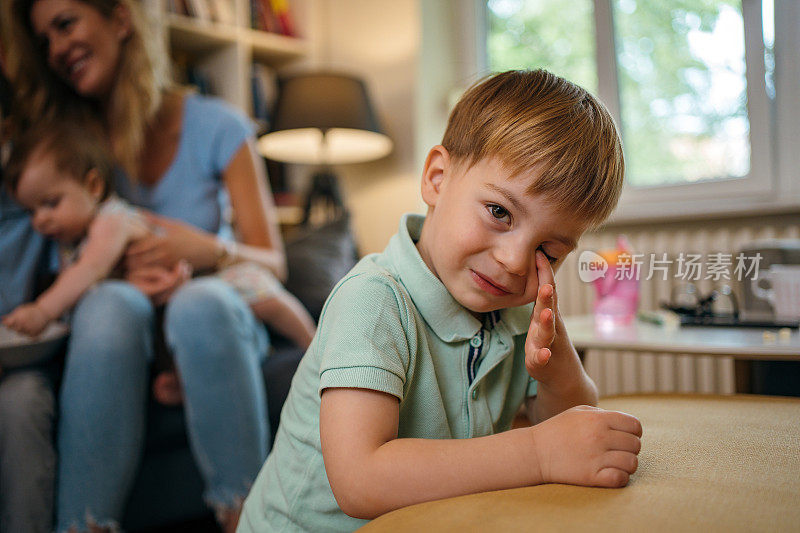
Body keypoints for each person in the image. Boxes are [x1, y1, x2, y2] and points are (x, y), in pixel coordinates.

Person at [238, 70, 643, 532]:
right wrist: (538, 452)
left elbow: (573, 424)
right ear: (436, 178)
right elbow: (360, 480)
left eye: (548, 251)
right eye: (499, 212)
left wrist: (556, 371)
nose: (514, 261)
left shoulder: (511, 310)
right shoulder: (373, 300)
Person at [3, 0, 294, 530]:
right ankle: (85, 525)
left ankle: (247, 517)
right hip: (123, 339)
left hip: (212, 317)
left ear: (120, 18)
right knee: (111, 302)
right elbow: (60, 265)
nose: (57, 49)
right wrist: (112, 273)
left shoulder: (219, 126)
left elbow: (272, 260)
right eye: (44, 40)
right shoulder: (66, 155)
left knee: (199, 299)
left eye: (66, 24)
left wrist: (210, 249)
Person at [2, 121, 315, 351]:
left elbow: (89, 271)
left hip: (205, 277)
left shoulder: (110, 221)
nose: (40, 220)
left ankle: (314, 346)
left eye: (51, 203)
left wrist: (42, 310)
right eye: (31, 211)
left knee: (263, 295)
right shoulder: (68, 240)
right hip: (165, 301)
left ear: (94, 187)